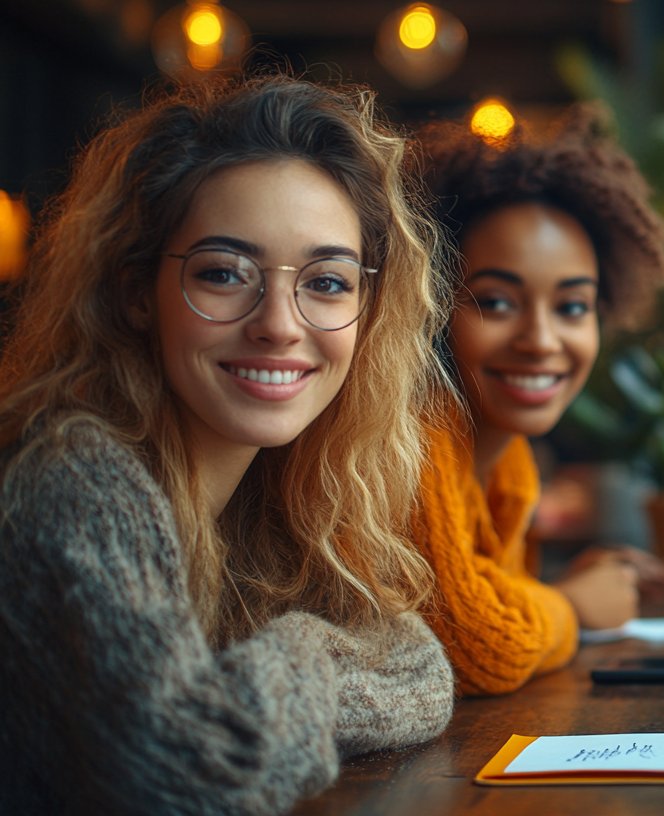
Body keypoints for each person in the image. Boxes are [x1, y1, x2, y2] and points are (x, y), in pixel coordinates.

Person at [0, 76, 455, 814]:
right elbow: (182, 773)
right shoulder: (76, 477)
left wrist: (268, 680)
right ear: (134, 292)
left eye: (328, 282)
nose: (279, 323)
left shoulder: (267, 506)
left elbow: (422, 668)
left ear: (369, 310)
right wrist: (311, 648)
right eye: (222, 273)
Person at [413, 109, 664, 696]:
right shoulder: (418, 437)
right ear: (433, 308)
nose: (541, 340)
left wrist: (555, 592)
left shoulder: (508, 460)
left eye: (572, 307)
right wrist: (571, 607)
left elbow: (484, 593)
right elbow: (475, 644)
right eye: (497, 302)